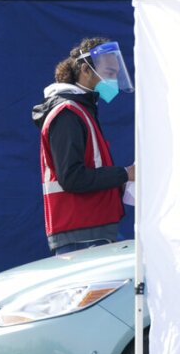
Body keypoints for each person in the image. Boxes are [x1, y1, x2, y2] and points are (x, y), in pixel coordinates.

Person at [32, 38, 135, 254]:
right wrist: (124, 174)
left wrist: (121, 183)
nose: (114, 80)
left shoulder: (80, 109)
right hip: (82, 232)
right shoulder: (68, 113)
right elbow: (72, 178)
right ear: (84, 70)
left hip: (91, 228)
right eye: (109, 72)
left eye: (116, 73)